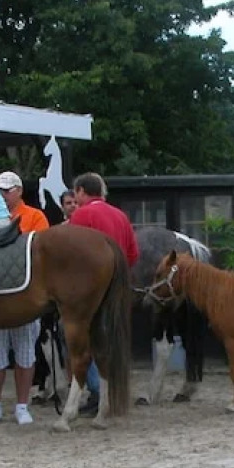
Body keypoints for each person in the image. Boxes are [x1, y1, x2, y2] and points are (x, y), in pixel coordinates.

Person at [0, 171, 50, 425]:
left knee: (25, 354)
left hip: (24, 298)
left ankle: (22, 405)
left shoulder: (35, 216)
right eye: (0, 190)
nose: (3, 195)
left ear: (19, 191)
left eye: (7, 190)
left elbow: (42, 252)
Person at [69, 172, 138, 416]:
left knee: (80, 339)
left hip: (90, 288)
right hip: (117, 286)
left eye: (76, 193)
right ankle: (112, 396)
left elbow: (70, 253)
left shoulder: (82, 215)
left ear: (81, 191)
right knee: (112, 339)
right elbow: (132, 254)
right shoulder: (120, 216)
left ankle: (97, 391)